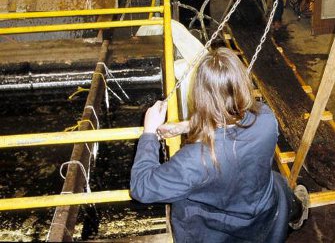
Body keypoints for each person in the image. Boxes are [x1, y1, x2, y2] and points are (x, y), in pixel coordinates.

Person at [130, 47, 309, 242]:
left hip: (213, 228)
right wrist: (187, 126)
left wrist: (149, 133)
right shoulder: (266, 118)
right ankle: (297, 213)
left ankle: (296, 211)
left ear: (200, 97)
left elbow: (141, 188)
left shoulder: (193, 160)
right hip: (260, 210)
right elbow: (232, 123)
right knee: (280, 186)